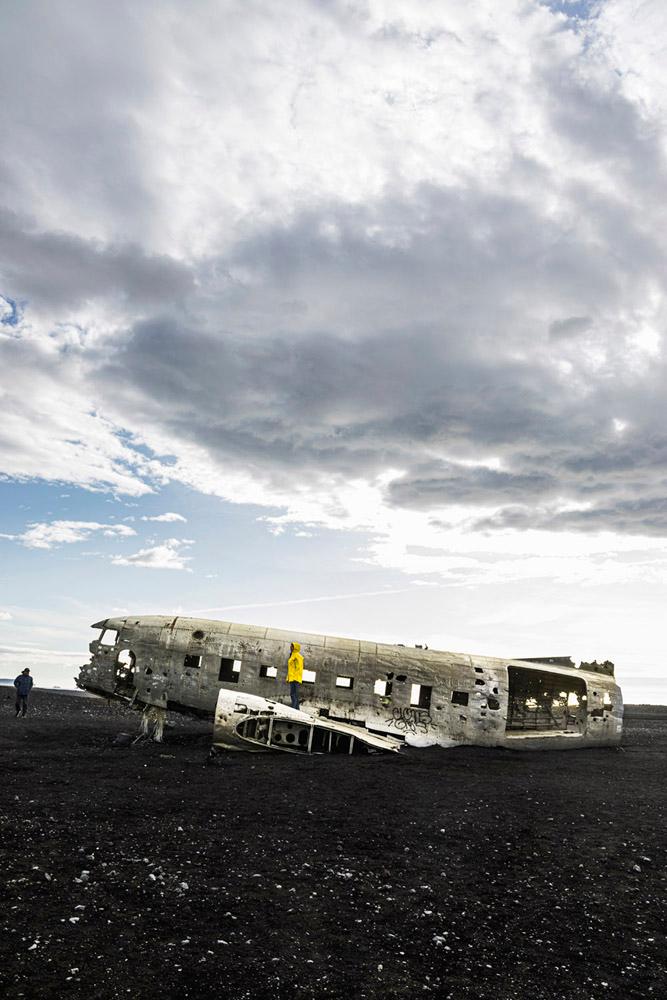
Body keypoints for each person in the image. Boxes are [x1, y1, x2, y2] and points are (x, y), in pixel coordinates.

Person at [286, 642, 304, 710]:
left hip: (295, 678)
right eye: (290, 646)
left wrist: (295, 677)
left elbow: (299, 668)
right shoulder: (292, 655)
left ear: (295, 648)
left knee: (293, 694)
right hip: (292, 677)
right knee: (293, 694)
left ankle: (293, 709)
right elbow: (291, 668)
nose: (290, 647)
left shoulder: (297, 656)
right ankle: (297, 709)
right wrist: (288, 677)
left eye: (292, 646)